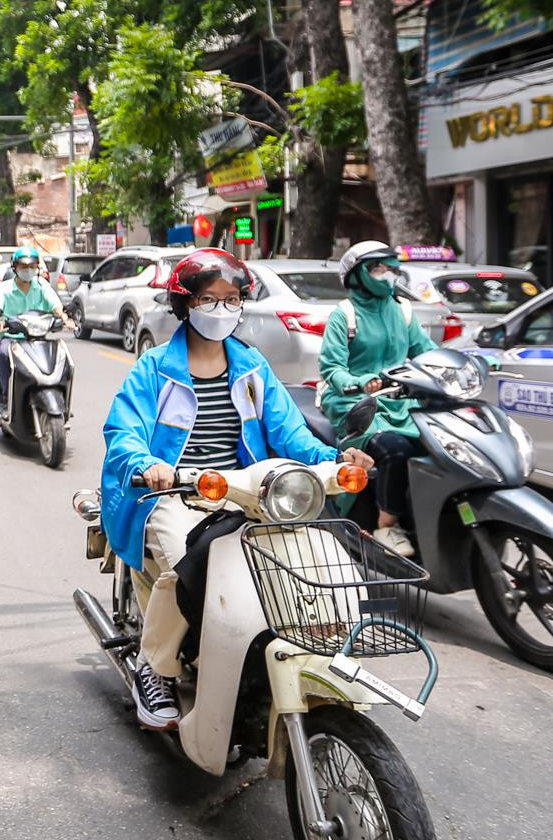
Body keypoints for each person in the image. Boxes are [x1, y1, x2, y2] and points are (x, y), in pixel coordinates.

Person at [101, 249, 374, 731]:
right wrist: (150, 465)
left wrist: (333, 462)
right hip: (174, 494)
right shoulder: (155, 369)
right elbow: (123, 434)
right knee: (184, 567)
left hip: (242, 490)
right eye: (210, 299)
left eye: (232, 299)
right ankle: (156, 668)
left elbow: (290, 435)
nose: (222, 309)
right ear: (185, 305)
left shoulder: (251, 367)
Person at [318, 241, 436, 558]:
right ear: (356, 276)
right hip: (357, 404)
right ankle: (387, 527)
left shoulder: (403, 311)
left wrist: (468, 361)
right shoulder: (344, 315)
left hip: (401, 399)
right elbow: (332, 368)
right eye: (377, 268)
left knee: (438, 446)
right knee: (396, 451)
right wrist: (359, 382)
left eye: (389, 268)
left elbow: (427, 352)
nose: (386, 275)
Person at [0, 247, 62, 408]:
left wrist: (64, 317)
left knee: (59, 356)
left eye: (31, 266)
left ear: (37, 267)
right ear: (15, 267)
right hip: (10, 338)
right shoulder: (4, 288)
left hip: (37, 338)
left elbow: (56, 305)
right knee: (2, 354)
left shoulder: (42, 286)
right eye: (23, 266)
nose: (28, 270)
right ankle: (7, 398)